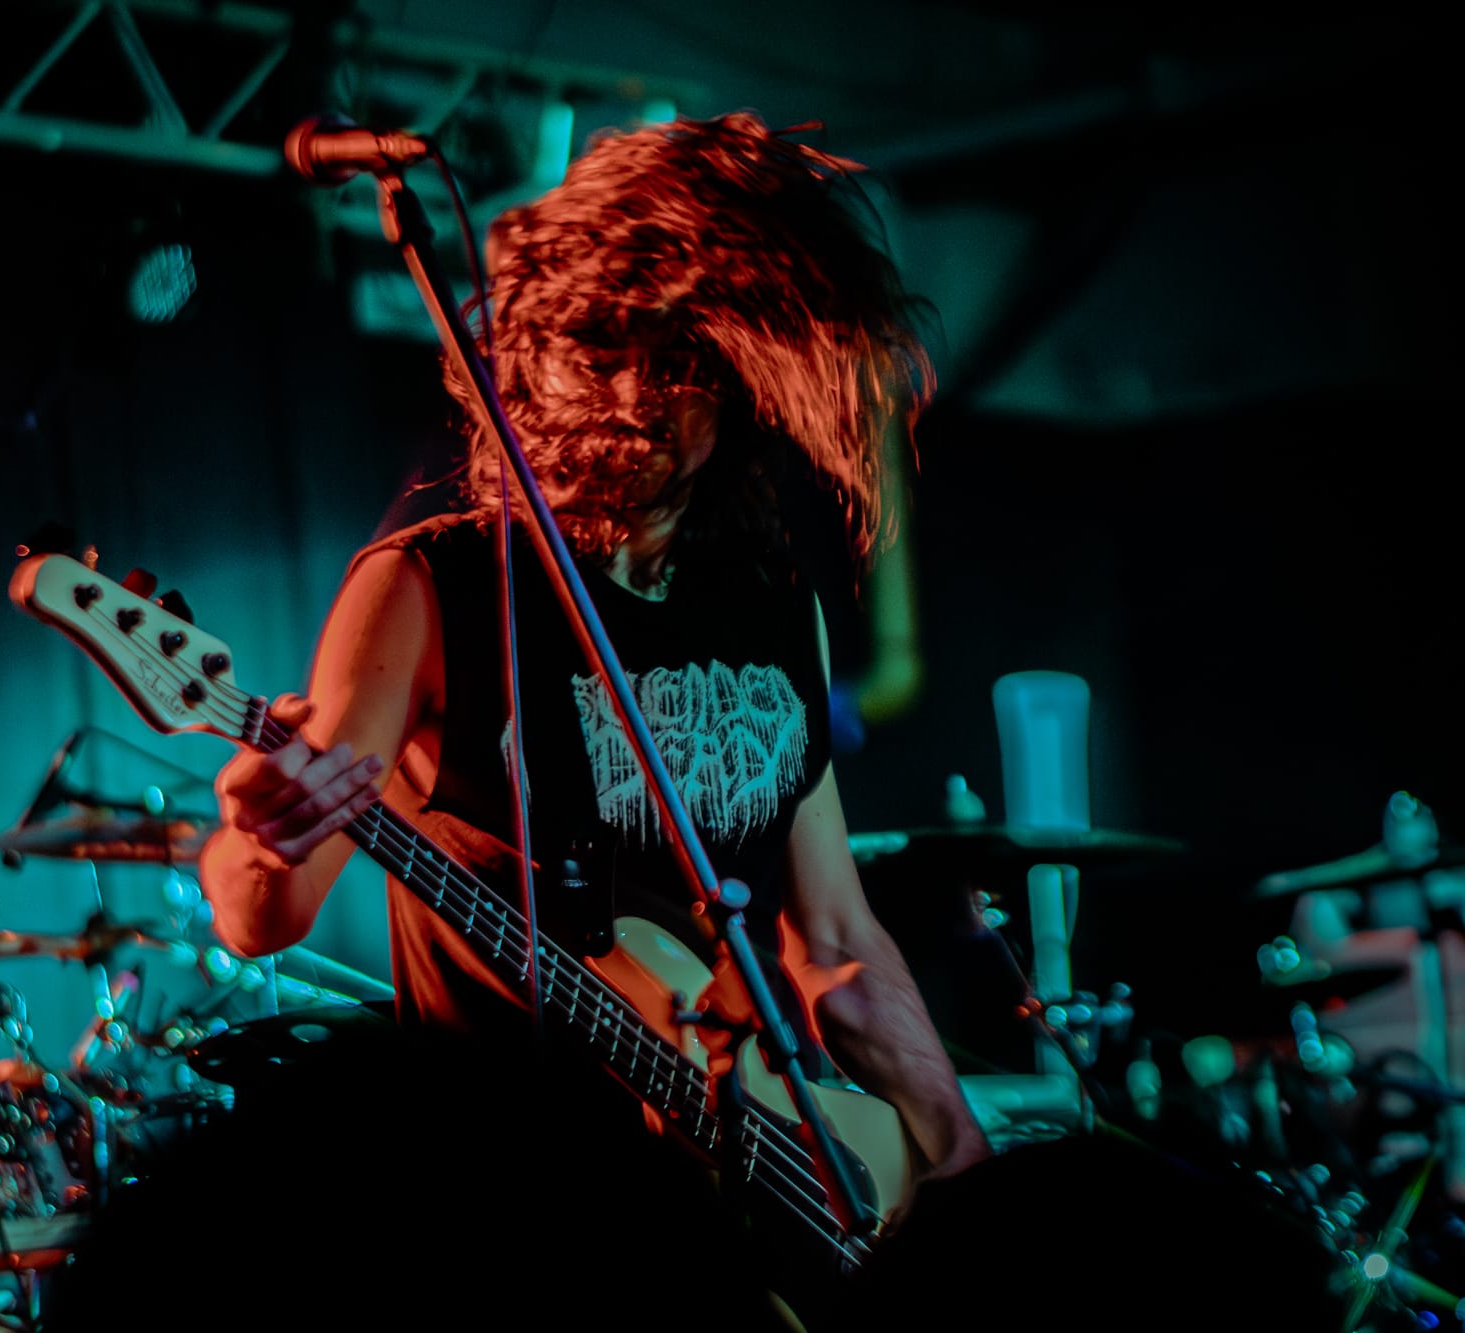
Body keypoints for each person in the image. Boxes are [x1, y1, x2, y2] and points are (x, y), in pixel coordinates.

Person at [198, 111, 990, 1317]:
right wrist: (261, 836)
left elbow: (833, 938)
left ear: (735, 382)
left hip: (726, 1200)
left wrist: (958, 1150)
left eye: (675, 365)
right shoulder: (430, 585)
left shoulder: (771, 606)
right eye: (599, 349)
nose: (631, 394)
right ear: (532, 351)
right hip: (508, 1200)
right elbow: (266, 917)